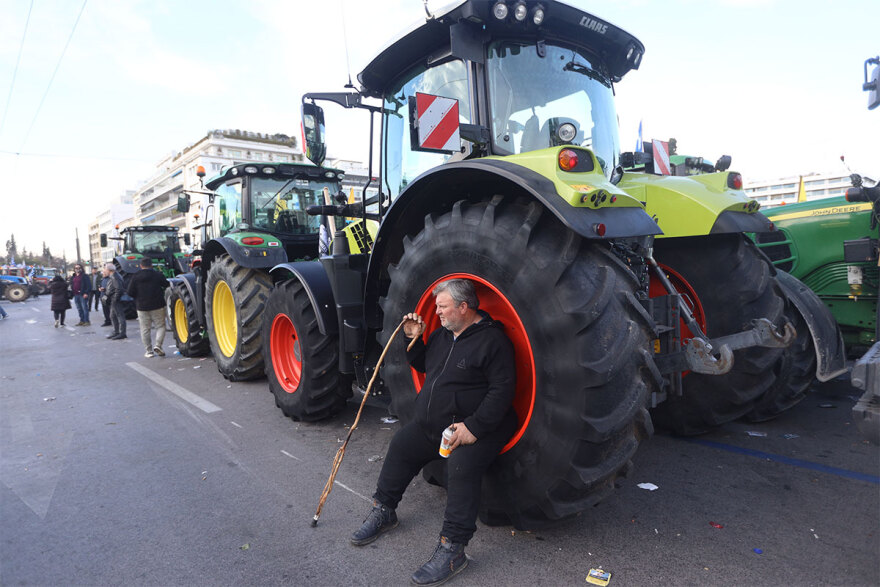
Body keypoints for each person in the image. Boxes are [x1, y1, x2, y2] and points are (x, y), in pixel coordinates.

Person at [351, 278, 517, 586]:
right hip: (436, 425)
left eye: (442, 307)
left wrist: (474, 428)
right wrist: (414, 340)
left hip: (478, 426)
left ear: (464, 307)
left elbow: (503, 391)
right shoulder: (444, 334)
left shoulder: (493, 342)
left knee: (461, 464)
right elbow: (427, 365)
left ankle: (453, 548)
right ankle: (384, 510)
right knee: (402, 443)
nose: (436, 312)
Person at [127, 257, 169, 358]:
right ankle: (158, 345)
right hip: (158, 305)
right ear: (151, 265)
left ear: (141, 266)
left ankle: (149, 351)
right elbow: (166, 284)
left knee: (145, 329)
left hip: (142, 307)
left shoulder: (136, 276)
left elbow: (130, 292)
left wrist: (138, 298)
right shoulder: (157, 275)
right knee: (160, 326)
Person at [103, 263, 127, 340]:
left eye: (105, 269)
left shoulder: (115, 277)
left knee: (120, 316)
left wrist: (115, 299)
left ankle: (122, 333)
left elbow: (119, 289)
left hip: (115, 300)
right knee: (112, 316)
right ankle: (116, 332)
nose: (104, 271)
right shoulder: (114, 276)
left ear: (109, 270)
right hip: (114, 299)